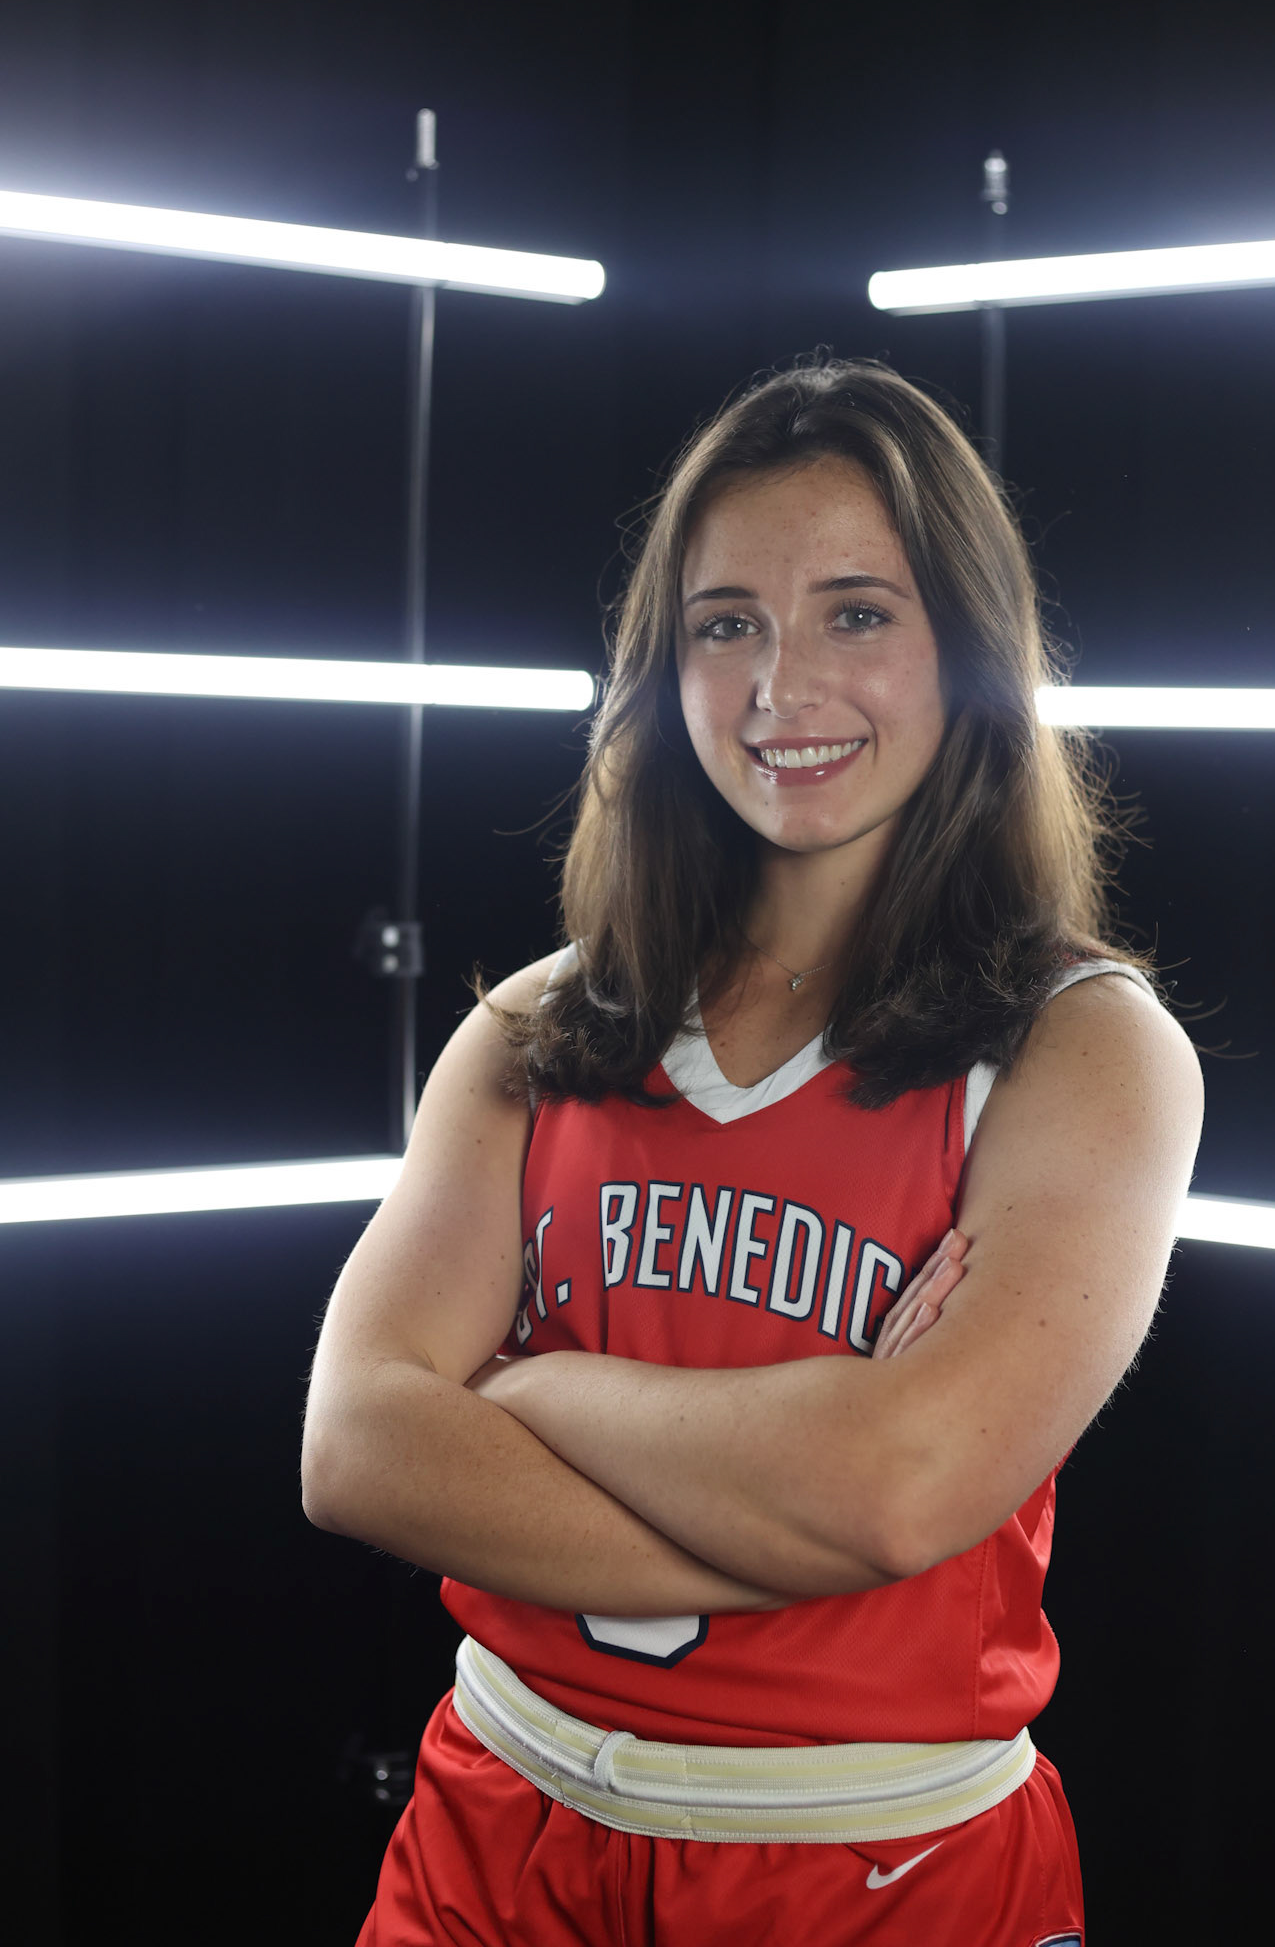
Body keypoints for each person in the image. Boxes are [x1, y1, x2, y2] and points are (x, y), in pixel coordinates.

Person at [302, 355, 1203, 1946]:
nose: (781, 686)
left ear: (967, 651)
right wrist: (806, 1492)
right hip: (494, 1824)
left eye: (857, 610)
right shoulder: (536, 1029)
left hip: (879, 1870)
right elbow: (358, 1450)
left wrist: (529, 1392)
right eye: (726, 624)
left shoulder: (1080, 1050)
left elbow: (900, 1488)